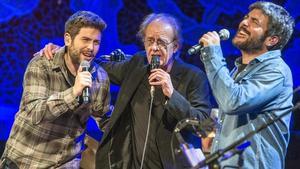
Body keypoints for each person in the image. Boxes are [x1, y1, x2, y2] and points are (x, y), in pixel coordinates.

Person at [41, 13, 212, 168]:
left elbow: (204, 125)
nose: (154, 48)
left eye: (161, 42)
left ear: (175, 47)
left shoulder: (194, 77)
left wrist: (172, 94)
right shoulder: (138, 64)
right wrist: (64, 53)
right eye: (149, 41)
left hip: (173, 165)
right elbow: (99, 66)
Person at [0, 11, 110, 169]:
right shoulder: (42, 65)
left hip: (65, 164)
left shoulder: (99, 76)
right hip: (26, 162)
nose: (91, 48)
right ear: (68, 39)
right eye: (85, 40)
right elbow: (34, 113)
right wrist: (73, 93)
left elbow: (104, 117)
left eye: (96, 42)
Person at [198, 1, 294, 169]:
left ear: (272, 40)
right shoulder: (238, 70)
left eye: (254, 22)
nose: (244, 23)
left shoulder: (277, 71)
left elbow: (233, 102)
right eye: (246, 17)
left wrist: (212, 53)